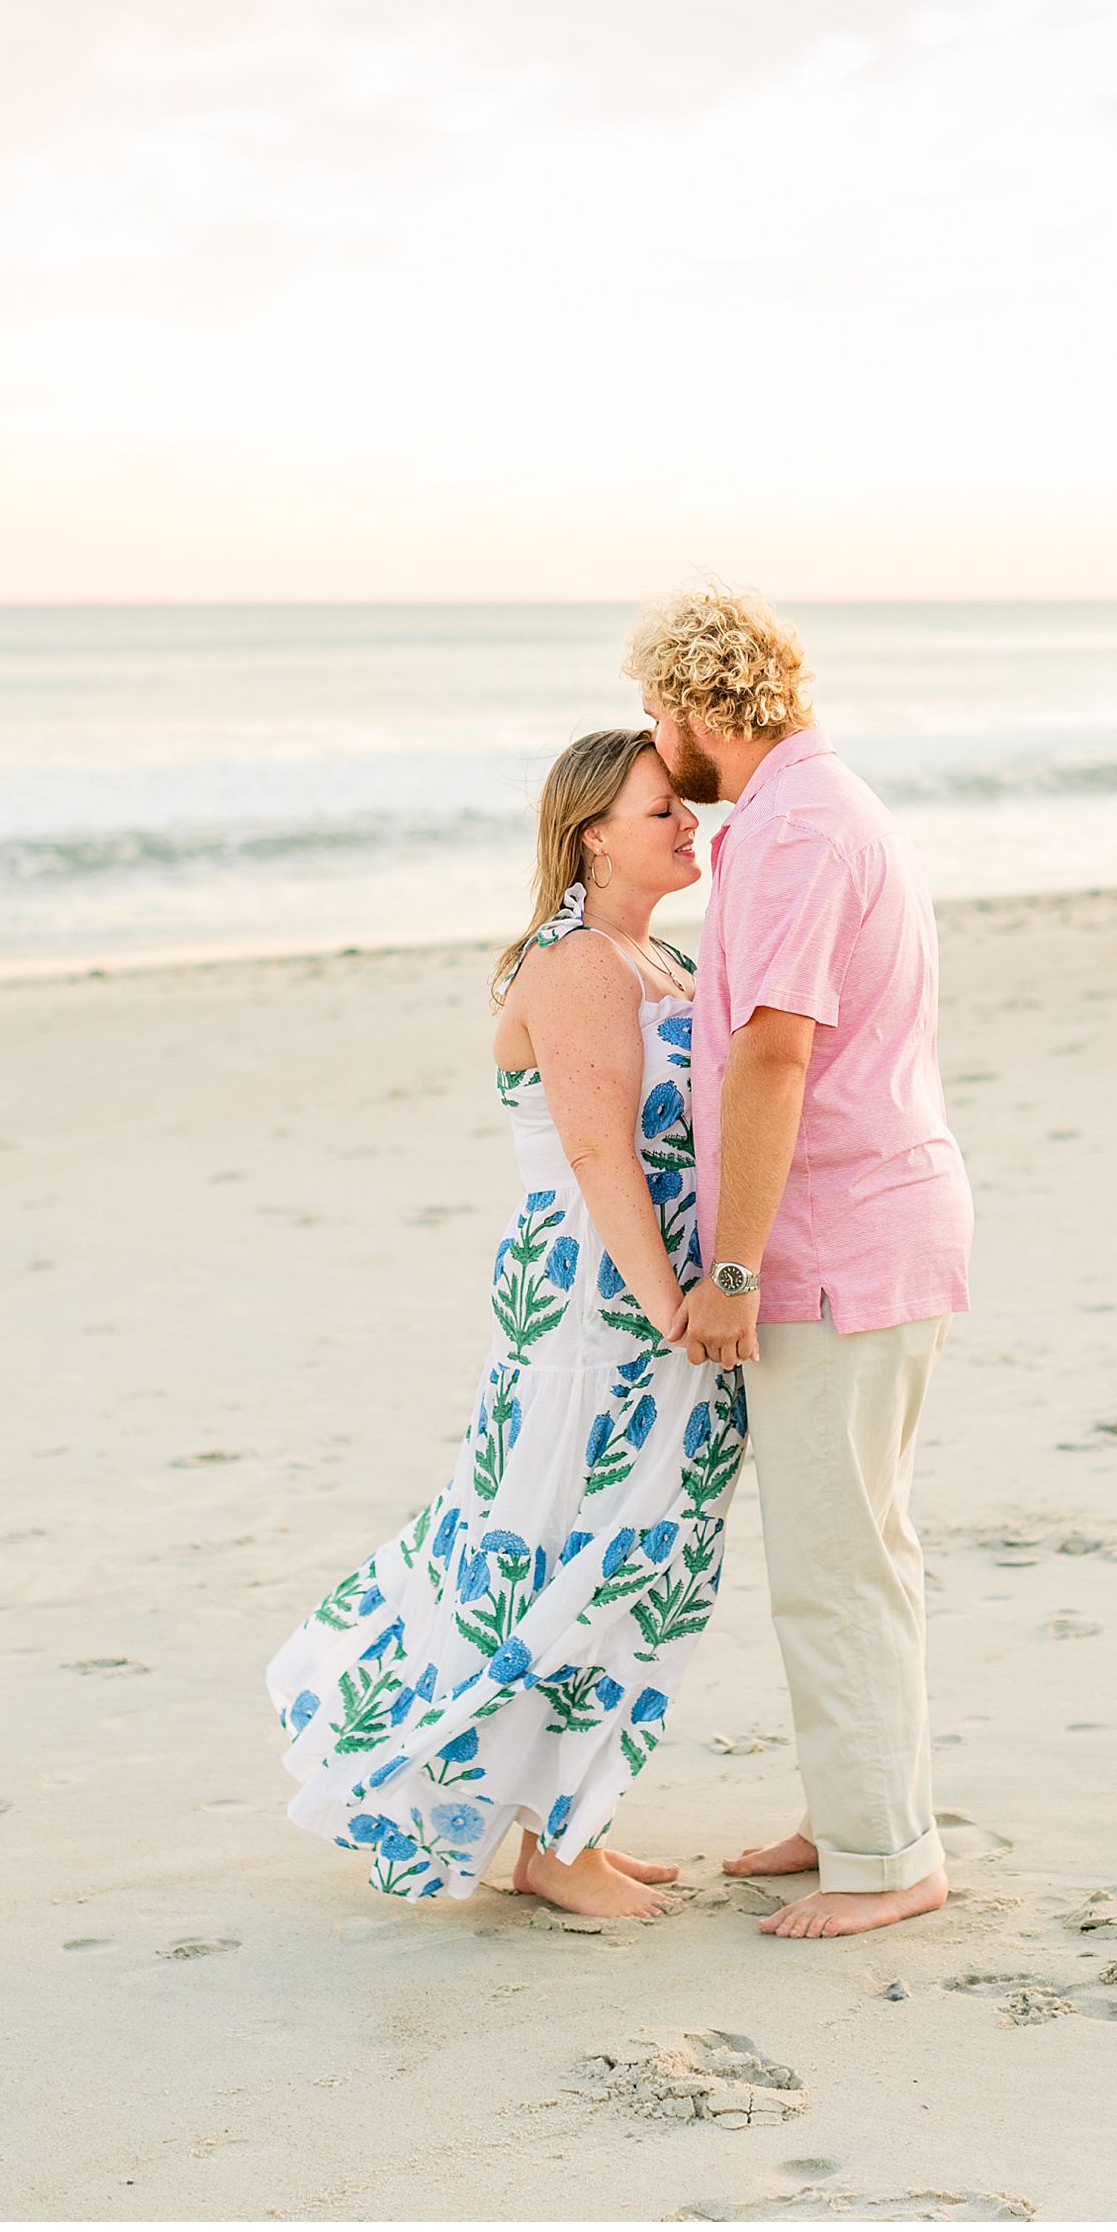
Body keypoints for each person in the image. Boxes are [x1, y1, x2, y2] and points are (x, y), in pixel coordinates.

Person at [264, 729, 747, 1920]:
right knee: (568, 1546)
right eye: (659, 814)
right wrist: (666, 1310)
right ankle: (546, 1840)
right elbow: (598, 1153)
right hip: (601, 1303)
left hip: (660, 1291)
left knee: (638, 1560)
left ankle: (564, 1821)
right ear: (592, 836)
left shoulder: (660, 957)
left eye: (685, 808)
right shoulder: (580, 962)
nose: (691, 825)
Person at [626, 584, 974, 1939]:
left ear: (708, 703)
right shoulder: (802, 813)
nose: (655, 733)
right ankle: (853, 1814)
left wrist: (731, 1265)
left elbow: (775, 1052)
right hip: (866, 1224)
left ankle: (888, 1858)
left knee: (840, 1558)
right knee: (844, 1545)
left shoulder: (796, 831)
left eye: (661, 705)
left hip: (836, 1242)